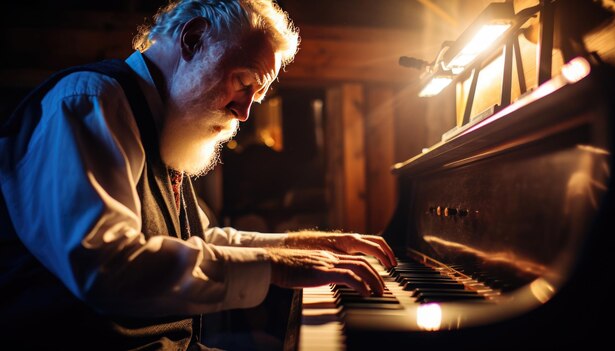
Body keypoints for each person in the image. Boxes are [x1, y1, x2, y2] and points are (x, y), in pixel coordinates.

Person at [0, 0, 397, 349]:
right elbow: (107, 266)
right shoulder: (91, 100)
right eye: (243, 83)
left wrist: (314, 246)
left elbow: (199, 239)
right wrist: (276, 266)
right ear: (193, 39)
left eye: (255, 97)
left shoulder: (161, 120)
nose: (244, 114)